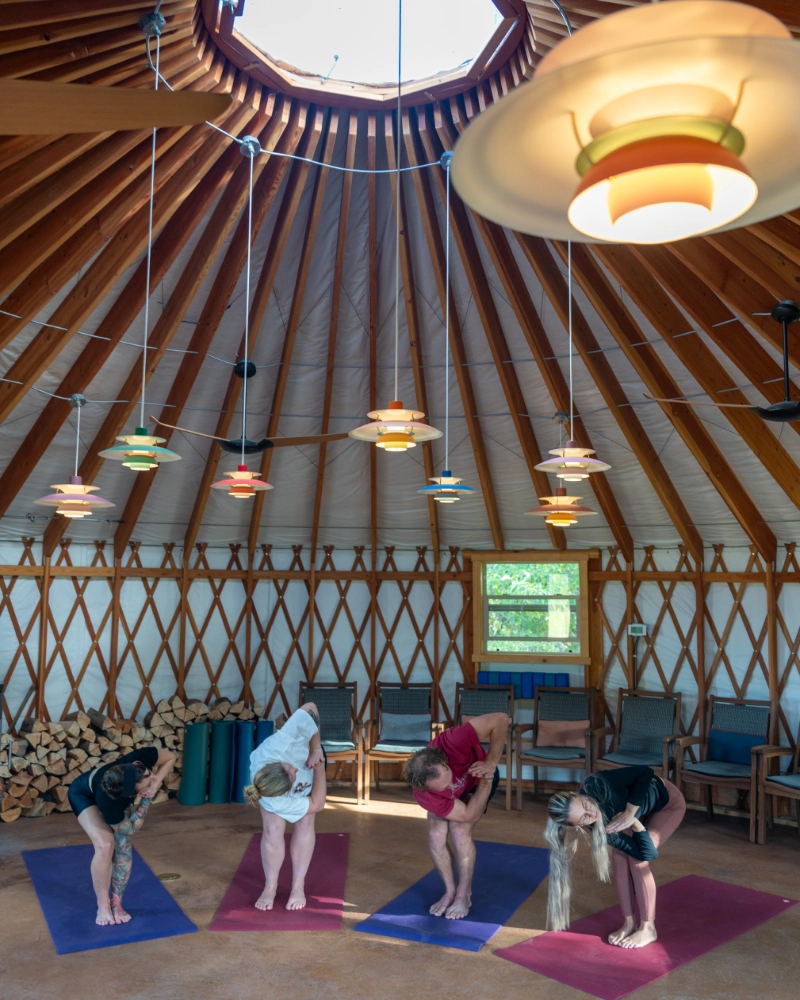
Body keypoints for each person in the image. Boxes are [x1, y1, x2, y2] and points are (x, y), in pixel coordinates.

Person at [544, 764, 686, 948]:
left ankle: (648, 928)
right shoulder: (599, 826)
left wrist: (630, 814)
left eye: (586, 805)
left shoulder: (598, 783)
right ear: (577, 826)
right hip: (637, 814)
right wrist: (634, 822)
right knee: (620, 858)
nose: (591, 813)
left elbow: (645, 772)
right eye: (585, 818)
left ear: (576, 795)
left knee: (637, 862)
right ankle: (628, 923)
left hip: (667, 804)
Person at [403, 712, 511, 920]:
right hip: (461, 794)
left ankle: (464, 895)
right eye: (443, 788)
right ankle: (450, 891)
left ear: (444, 763)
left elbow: (501, 719)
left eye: (449, 779)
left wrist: (490, 765)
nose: (452, 787)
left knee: (460, 830)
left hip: (481, 778)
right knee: (436, 834)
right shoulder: (423, 794)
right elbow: (462, 811)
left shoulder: (453, 741)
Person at [67, 745, 175, 925]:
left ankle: (117, 904)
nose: (153, 777)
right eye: (148, 782)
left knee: (123, 845)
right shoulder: (111, 804)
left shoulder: (140, 759)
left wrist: (154, 785)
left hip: (112, 790)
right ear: (132, 793)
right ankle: (103, 905)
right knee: (106, 845)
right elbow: (131, 828)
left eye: (149, 773)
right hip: (83, 793)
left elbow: (171, 757)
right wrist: (147, 799)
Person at [244, 702, 326, 912]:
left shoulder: (282, 742)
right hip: (280, 787)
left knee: (305, 821)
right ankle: (270, 887)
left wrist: (316, 751)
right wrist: (290, 779)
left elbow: (311, 708)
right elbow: (312, 802)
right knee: (272, 830)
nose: (293, 769)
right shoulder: (272, 796)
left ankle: (298, 885)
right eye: (291, 773)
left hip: (309, 759)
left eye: (287, 768)